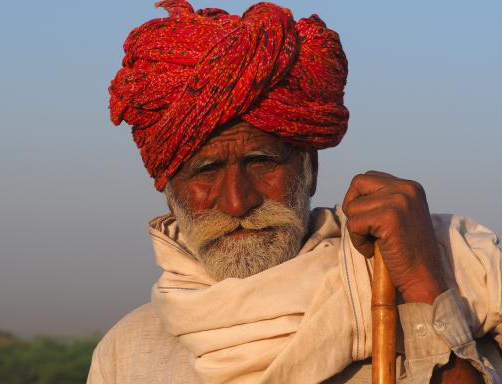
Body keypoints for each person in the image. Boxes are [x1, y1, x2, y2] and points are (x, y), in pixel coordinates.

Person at [87, 1, 502, 383]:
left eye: (262, 162)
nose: (237, 202)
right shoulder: (127, 354)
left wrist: (421, 283)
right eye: (206, 170)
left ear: (310, 170)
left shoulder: (465, 286)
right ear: (168, 189)